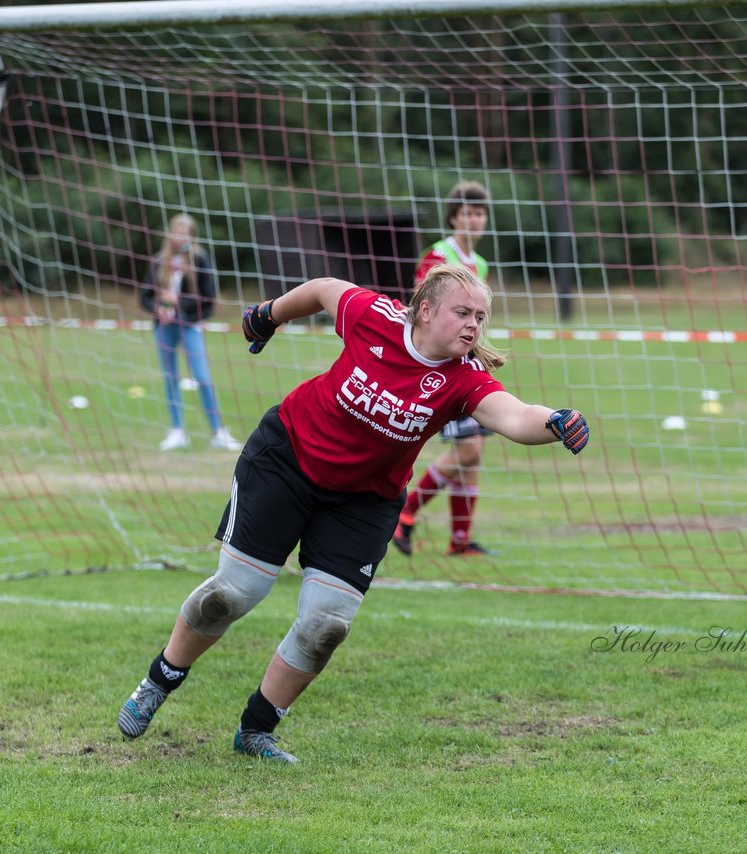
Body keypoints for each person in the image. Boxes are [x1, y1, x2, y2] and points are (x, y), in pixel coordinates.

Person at [116, 263, 590, 763]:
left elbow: (514, 415)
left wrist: (556, 421)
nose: (473, 325)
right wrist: (268, 315)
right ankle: (158, 681)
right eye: (462, 312)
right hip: (288, 460)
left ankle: (257, 730)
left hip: (364, 501)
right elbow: (323, 290)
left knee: (327, 625)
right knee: (232, 595)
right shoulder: (376, 317)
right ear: (424, 311)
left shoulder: (463, 379)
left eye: (481, 316)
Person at [393, 180, 495, 557]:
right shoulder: (437, 257)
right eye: (467, 212)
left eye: (480, 212)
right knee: (466, 450)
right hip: (442, 367)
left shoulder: (479, 263)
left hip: (470, 365)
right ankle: (405, 514)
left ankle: (460, 540)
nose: (475, 219)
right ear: (454, 217)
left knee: (474, 453)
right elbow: (421, 310)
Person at [139, 214, 241, 452]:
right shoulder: (158, 261)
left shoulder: (199, 259)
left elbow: (208, 298)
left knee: (202, 378)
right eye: (177, 231)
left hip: (190, 326)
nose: (180, 236)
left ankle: (218, 432)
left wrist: (179, 304)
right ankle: (177, 431)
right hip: (164, 328)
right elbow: (144, 296)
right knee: (170, 377)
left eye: (185, 232)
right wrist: (159, 308)